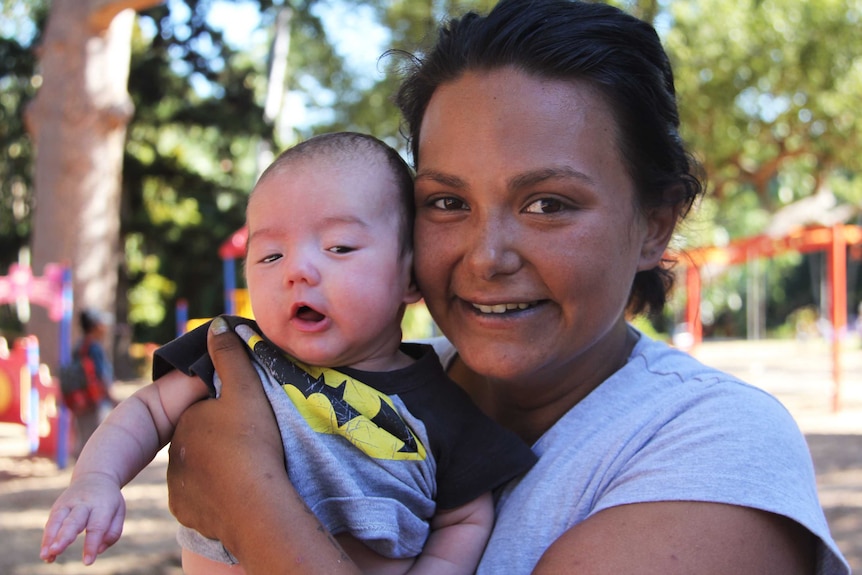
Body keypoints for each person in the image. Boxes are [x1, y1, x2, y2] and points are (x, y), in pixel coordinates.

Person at [162, 1, 852, 574]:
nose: (487, 256)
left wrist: (250, 498)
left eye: (548, 203)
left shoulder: (717, 447)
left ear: (655, 223)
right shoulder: (354, 382)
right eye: (446, 203)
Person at [40, 132, 536, 574]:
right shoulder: (236, 350)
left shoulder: (444, 403)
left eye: (339, 247)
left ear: (411, 275)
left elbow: (467, 515)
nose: (296, 270)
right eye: (270, 255)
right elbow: (147, 409)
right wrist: (97, 479)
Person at [70, 308, 118, 456]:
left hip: (81, 399)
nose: (105, 328)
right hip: (95, 400)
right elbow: (100, 375)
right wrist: (111, 397)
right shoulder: (95, 348)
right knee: (96, 440)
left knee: (84, 436)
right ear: (95, 326)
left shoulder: (79, 345)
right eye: (102, 324)